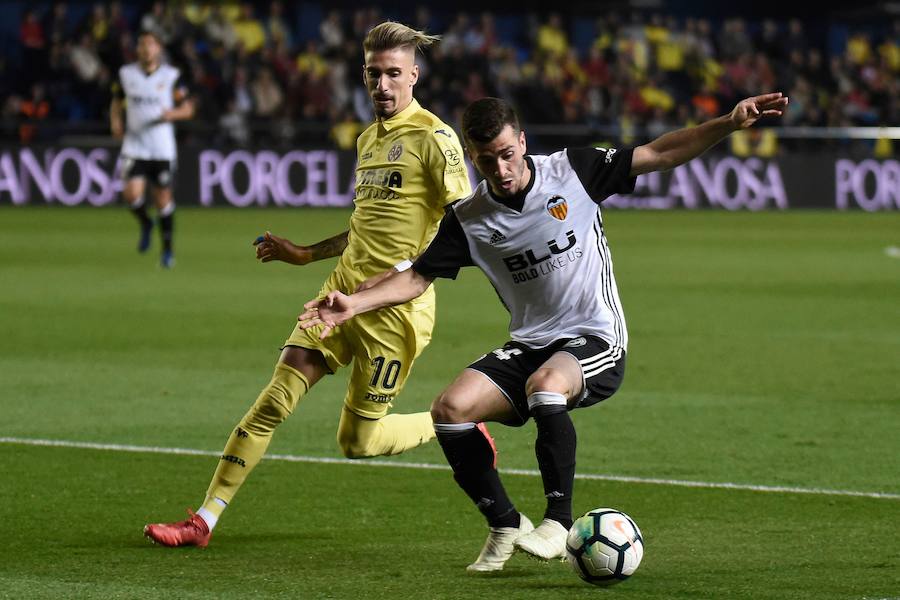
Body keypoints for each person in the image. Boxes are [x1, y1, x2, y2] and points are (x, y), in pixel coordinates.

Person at [299, 93, 788, 571]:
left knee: (546, 386)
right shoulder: (468, 218)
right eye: (486, 161)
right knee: (450, 410)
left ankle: (559, 522)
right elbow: (416, 277)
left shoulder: (573, 171)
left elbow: (659, 153)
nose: (501, 169)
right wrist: (351, 305)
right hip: (531, 344)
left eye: (507, 154)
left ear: (522, 142)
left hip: (595, 336)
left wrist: (728, 122)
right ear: (472, 157)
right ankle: (505, 524)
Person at [143, 21, 471, 547]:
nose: (382, 85)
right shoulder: (368, 139)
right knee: (275, 399)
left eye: (393, 73)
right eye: (373, 73)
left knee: (357, 442)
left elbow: (467, 224)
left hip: (395, 313)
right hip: (338, 294)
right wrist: (305, 254)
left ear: (414, 74)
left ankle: (456, 421)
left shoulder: (435, 139)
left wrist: (408, 268)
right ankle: (204, 519)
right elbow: (365, 228)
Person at [110, 30, 194, 268]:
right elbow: (116, 101)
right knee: (131, 195)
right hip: (135, 144)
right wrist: (115, 122)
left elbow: (188, 109)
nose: (146, 49)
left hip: (161, 148)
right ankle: (146, 222)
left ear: (159, 49)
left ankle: (167, 250)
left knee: (162, 199)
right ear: (137, 48)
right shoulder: (126, 74)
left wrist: (172, 114)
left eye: (151, 44)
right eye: (142, 44)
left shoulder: (171, 76)